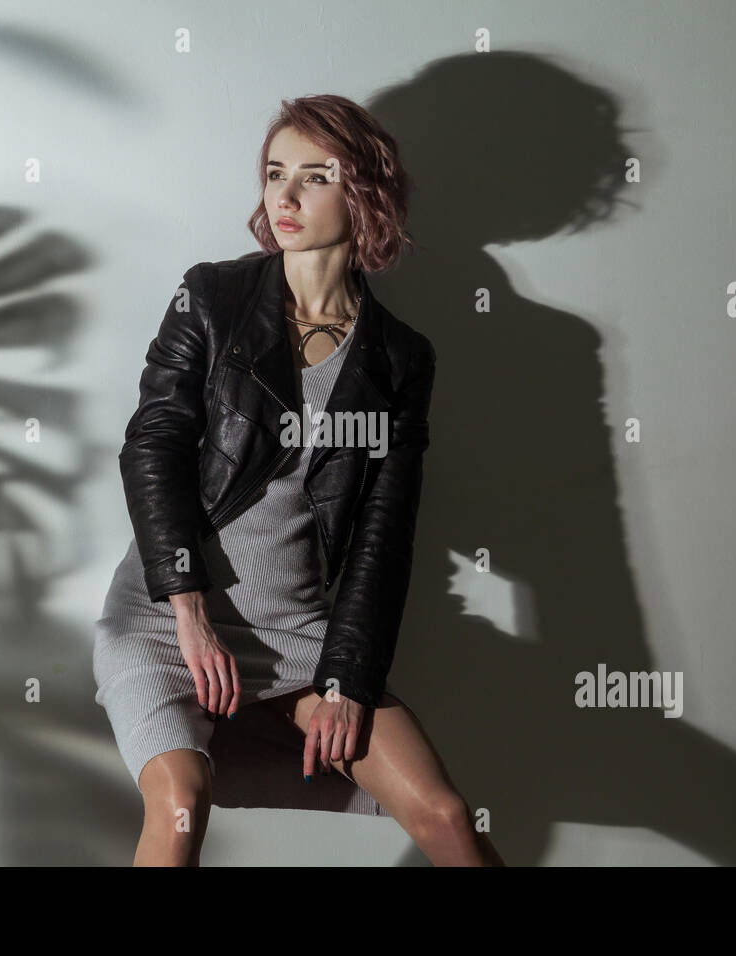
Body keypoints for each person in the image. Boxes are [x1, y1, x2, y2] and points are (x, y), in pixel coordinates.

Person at [93, 94, 503, 866]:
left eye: (314, 178)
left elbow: (385, 535)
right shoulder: (213, 298)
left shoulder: (400, 360)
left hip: (302, 644)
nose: (283, 197)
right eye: (276, 173)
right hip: (166, 622)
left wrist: (346, 677)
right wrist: (187, 608)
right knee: (180, 804)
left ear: (364, 195)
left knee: (447, 818)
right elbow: (152, 446)